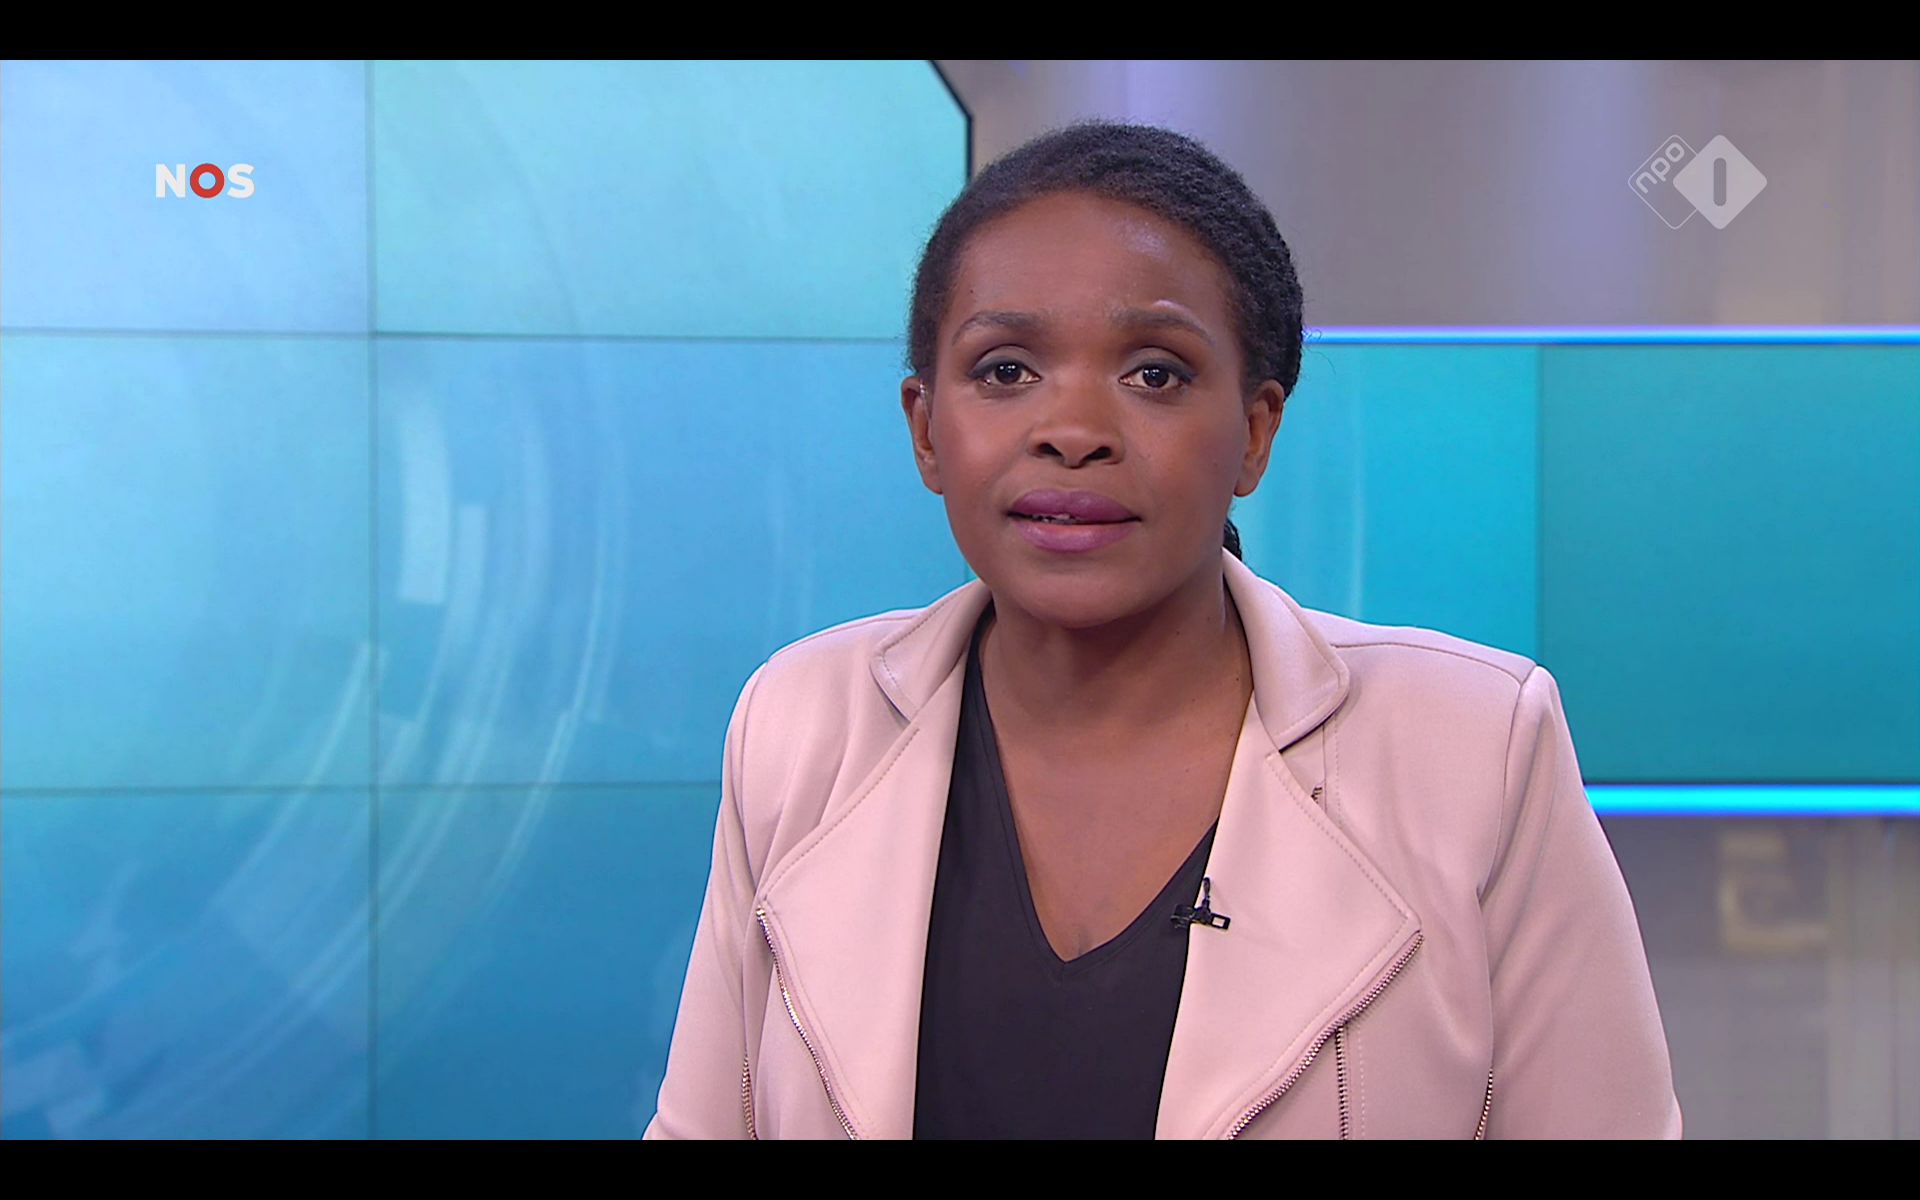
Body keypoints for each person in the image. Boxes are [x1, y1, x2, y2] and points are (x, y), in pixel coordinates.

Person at [644, 120, 1681, 1140]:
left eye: (1155, 374)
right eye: (1005, 370)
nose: (1073, 433)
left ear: (1256, 432)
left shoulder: (1477, 746)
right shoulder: (801, 723)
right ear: (925, 428)